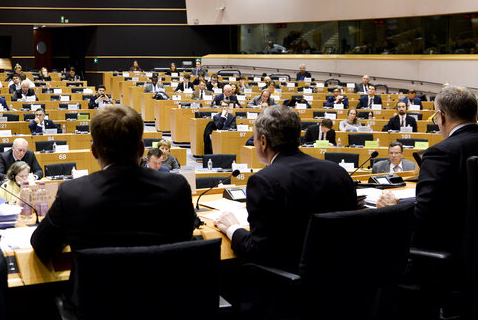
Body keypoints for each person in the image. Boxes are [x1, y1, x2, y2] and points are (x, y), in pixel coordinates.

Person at [31, 105, 196, 307]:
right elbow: (186, 236)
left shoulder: (73, 193)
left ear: (93, 151)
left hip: (96, 316)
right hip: (165, 310)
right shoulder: (176, 186)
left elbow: (41, 245)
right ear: (142, 149)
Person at [214, 105, 356, 287]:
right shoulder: (338, 173)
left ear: (263, 141)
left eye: (255, 139)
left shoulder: (264, 180)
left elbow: (257, 251)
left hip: (286, 290)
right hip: (340, 284)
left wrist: (232, 228)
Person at [377, 86, 478, 256]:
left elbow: (424, 219)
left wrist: (396, 206)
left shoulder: (439, 153)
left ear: (441, 116)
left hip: (449, 257)